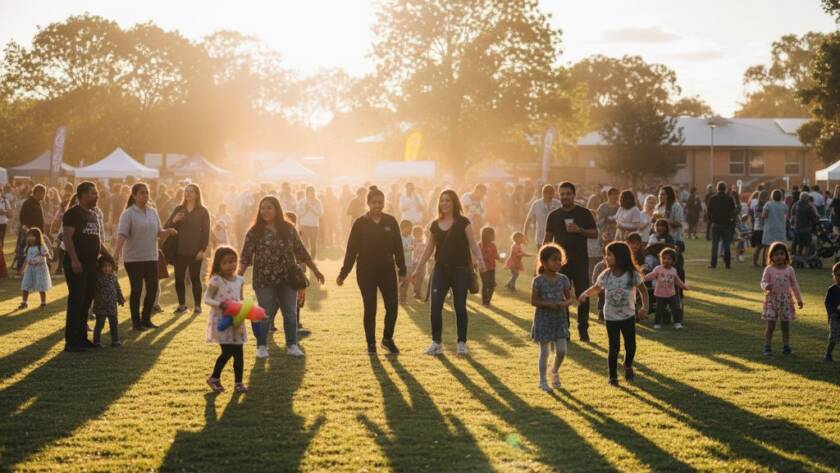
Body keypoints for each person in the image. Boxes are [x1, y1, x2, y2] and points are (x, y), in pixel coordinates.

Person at [241, 196, 325, 358]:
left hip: (287, 278)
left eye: (269, 208)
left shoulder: (288, 229)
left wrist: (315, 270)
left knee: (290, 312)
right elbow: (245, 256)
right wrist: (236, 278)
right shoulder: (254, 231)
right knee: (265, 312)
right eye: (262, 208)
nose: (265, 211)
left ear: (277, 209)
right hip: (264, 279)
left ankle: (292, 345)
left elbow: (301, 252)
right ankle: (262, 346)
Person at [410, 189, 487, 356]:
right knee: (435, 306)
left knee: (460, 307)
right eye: (442, 200)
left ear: (454, 203)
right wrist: (418, 268)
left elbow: (473, 244)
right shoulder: (434, 224)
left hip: (460, 271)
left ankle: (461, 343)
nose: (444, 203)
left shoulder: (463, 222)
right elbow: (428, 249)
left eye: (448, 200)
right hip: (440, 271)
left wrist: (480, 260)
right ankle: (436, 343)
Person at [338, 186, 405, 354]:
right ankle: (371, 344)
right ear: (368, 203)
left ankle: (387, 339)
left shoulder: (391, 221)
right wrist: (343, 273)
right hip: (366, 271)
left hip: (387, 270)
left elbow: (398, 247)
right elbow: (351, 250)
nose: (377, 205)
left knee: (392, 306)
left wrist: (402, 269)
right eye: (374, 202)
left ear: (384, 203)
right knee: (371, 307)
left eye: (380, 202)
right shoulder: (360, 223)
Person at [578, 241, 649, 386]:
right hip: (610, 317)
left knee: (631, 347)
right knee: (614, 346)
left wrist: (644, 308)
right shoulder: (606, 275)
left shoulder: (632, 274)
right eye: (605, 254)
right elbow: (596, 288)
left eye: (609, 255)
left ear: (620, 256)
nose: (605, 257)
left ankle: (628, 365)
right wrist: (585, 294)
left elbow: (643, 291)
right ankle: (613, 376)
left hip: (628, 316)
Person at [114, 183, 177, 330]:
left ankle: (146, 319)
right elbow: (122, 235)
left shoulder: (153, 212)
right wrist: (115, 254)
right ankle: (136, 323)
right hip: (134, 258)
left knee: (153, 288)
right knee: (136, 290)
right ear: (134, 195)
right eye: (142, 193)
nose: (145, 196)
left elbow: (158, 233)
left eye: (147, 193)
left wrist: (168, 231)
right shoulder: (128, 213)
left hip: (151, 256)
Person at [544, 182, 598, 342]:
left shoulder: (584, 213)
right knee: (562, 298)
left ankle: (583, 330)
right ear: (559, 196)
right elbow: (547, 240)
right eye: (562, 194)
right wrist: (543, 263)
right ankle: (564, 330)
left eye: (568, 193)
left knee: (583, 296)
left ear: (574, 195)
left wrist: (580, 230)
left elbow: (595, 233)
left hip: (580, 261)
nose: (565, 196)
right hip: (559, 264)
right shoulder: (553, 216)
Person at [63, 182, 111, 353]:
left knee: (86, 302)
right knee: (76, 301)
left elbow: (97, 241)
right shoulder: (72, 214)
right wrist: (75, 260)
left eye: (96, 193)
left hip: (91, 265)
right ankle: (71, 342)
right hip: (77, 265)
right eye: (93, 193)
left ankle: (82, 338)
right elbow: (67, 239)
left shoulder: (92, 215)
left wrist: (109, 256)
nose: (96, 196)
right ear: (82, 194)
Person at [205, 246, 249, 393]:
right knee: (228, 351)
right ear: (218, 265)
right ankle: (214, 378)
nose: (231, 265)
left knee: (239, 352)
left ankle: (238, 383)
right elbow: (207, 299)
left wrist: (247, 311)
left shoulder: (240, 280)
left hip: (237, 321)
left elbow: (240, 300)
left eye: (233, 261)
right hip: (222, 321)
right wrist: (220, 304)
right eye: (225, 262)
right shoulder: (216, 280)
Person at [530, 244, 572, 392]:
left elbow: (570, 299)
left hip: (559, 319)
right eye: (554, 260)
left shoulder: (563, 279)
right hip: (543, 319)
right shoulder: (538, 280)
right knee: (544, 352)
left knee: (561, 350)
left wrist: (563, 304)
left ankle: (553, 371)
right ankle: (542, 381)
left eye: (560, 260)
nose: (558, 263)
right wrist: (549, 304)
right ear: (544, 261)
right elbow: (534, 301)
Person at [165, 184, 211, 315]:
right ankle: (182, 305)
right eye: (186, 191)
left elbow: (206, 232)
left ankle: (197, 306)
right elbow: (167, 226)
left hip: (195, 251)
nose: (188, 193)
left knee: (195, 278)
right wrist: (175, 219)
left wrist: (202, 250)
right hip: (179, 250)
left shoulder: (203, 211)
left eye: (191, 191)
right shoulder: (179, 209)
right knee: (179, 279)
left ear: (197, 194)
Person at [761, 242, 802, 356]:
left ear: (786, 255)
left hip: (785, 301)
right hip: (772, 300)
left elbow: (794, 285)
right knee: (771, 325)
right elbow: (763, 282)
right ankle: (767, 347)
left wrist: (799, 299)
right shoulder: (769, 269)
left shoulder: (789, 270)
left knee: (785, 326)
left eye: (781, 254)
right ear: (771, 256)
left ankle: (786, 347)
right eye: (776, 254)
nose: (779, 256)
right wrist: (766, 286)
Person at [644, 248, 687, 329]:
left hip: (671, 293)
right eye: (664, 258)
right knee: (659, 309)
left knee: (675, 309)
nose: (666, 260)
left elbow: (677, 280)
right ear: (661, 259)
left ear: (673, 261)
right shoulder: (658, 268)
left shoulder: (673, 270)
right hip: (660, 294)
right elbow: (652, 275)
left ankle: (677, 323)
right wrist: (644, 277)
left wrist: (683, 286)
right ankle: (657, 323)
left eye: (669, 259)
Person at [92, 255, 125, 347]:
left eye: (109, 266)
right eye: (104, 266)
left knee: (114, 324)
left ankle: (115, 340)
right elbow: (93, 290)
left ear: (112, 267)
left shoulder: (113, 277)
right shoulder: (97, 278)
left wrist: (120, 298)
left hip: (112, 305)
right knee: (100, 324)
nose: (107, 268)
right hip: (101, 305)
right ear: (100, 267)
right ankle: (96, 341)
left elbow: (117, 288)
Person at [15, 184, 46, 273]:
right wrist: (27, 230)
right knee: (24, 251)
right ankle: (20, 271)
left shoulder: (38, 203)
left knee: (34, 251)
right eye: (43, 193)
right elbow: (23, 218)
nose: (44, 195)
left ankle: (29, 270)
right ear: (38, 193)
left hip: (37, 233)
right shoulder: (28, 203)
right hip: (28, 232)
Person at [19, 227, 52, 309]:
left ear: (37, 237)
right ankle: (24, 302)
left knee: (41, 285)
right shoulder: (28, 248)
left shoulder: (41, 246)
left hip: (40, 269)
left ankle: (43, 303)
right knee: (25, 285)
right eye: (29, 236)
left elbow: (46, 255)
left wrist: (49, 257)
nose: (30, 238)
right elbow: (27, 259)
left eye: (32, 236)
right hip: (30, 269)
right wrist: (22, 269)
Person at [707, 181, 737, 269]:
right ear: (725, 188)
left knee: (714, 245)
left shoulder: (713, 198)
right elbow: (733, 211)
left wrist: (711, 220)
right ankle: (727, 264)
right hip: (726, 224)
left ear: (717, 188)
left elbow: (709, 211)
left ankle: (713, 263)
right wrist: (731, 220)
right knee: (726, 245)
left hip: (716, 224)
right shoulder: (729, 198)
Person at [522, 185, 561, 250]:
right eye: (548, 195)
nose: (550, 197)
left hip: (555, 236)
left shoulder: (558, 204)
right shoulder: (536, 204)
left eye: (551, 195)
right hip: (540, 237)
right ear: (543, 194)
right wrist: (525, 234)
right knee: (541, 257)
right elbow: (528, 219)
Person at [297, 186, 323, 259]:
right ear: (306, 193)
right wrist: (305, 209)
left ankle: (313, 259)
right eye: (308, 192)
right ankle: (306, 259)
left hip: (314, 225)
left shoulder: (318, 202)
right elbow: (298, 213)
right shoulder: (302, 202)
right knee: (305, 244)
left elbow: (320, 213)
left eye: (311, 192)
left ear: (314, 193)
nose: (310, 194)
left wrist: (312, 208)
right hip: (304, 225)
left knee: (313, 244)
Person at [790, 191, 820, 257]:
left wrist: (792, 224)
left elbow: (792, 217)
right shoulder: (808, 206)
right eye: (808, 198)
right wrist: (818, 217)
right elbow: (813, 217)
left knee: (797, 243)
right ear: (806, 198)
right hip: (806, 229)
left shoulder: (795, 205)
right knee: (807, 244)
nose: (808, 199)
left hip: (797, 228)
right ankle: (805, 257)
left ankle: (796, 256)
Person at [479, 226, 500, 306]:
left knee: (492, 285)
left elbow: (495, 255)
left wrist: (500, 258)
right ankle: (485, 301)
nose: (493, 236)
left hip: (491, 268)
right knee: (485, 284)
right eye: (492, 234)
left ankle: (488, 301)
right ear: (486, 235)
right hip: (483, 269)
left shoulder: (493, 245)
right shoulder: (480, 245)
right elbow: (477, 256)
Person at [823, 262, 840, 362]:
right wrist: (831, 312)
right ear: (834, 276)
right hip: (834, 318)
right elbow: (827, 302)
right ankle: (828, 353)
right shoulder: (832, 290)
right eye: (838, 275)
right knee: (833, 337)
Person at [397, 219, 415, 305]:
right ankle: (401, 298)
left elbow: (413, 246)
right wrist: (406, 248)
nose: (410, 230)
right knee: (402, 280)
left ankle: (404, 296)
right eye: (408, 228)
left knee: (408, 280)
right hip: (401, 264)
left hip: (409, 262)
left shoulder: (411, 238)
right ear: (402, 228)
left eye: (411, 228)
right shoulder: (399, 238)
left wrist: (412, 247)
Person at [751, 190, 769, 267]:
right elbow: (759, 216)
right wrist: (765, 216)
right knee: (759, 246)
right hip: (759, 228)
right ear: (761, 198)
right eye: (766, 198)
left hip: (765, 228)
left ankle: (764, 262)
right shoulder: (758, 206)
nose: (767, 200)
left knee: (766, 246)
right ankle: (755, 261)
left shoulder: (766, 205)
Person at [409, 225, 427, 300]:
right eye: (416, 233)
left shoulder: (424, 241)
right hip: (415, 262)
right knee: (414, 277)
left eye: (420, 233)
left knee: (421, 277)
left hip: (422, 262)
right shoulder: (413, 242)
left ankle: (417, 292)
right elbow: (410, 248)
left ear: (422, 233)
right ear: (414, 234)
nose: (418, 235)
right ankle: (415, 290)